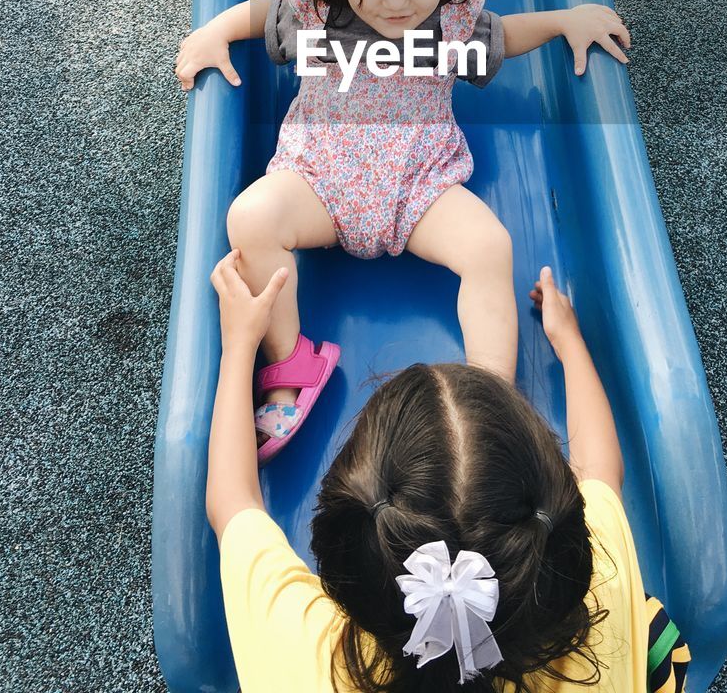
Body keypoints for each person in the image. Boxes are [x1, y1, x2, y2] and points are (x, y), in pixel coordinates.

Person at [176, 0, 630, 462]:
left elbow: (507, 35)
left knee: (490, 247)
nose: (398, 3)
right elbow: (265, 12)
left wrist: (564, 21)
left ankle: (490, 392)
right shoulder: (317, 6)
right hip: (319, 177)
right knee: (250, 218)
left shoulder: (451, 19)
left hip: (419, 185)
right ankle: (291, 361)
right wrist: (214, 32)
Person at [206, 254, 691, 692]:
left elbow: (231, 502)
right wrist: (568, 341)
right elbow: (603, 470)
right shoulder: (603, 582)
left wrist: (239, 344)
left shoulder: (303, 652)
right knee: (644, 624)